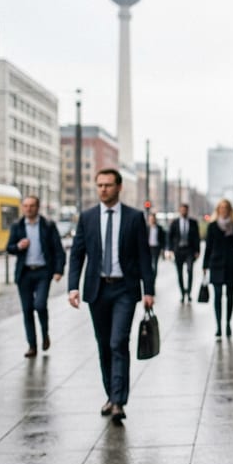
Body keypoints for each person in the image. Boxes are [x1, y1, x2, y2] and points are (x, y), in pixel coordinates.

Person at [67, 168, 155, 425]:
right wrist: (73, 287)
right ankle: (111, 395)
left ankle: (118, 400)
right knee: (104, 344)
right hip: (97, 289)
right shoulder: (87, 218)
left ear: (118, 187)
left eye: (107, 185)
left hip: (125, 289)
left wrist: (148, 290)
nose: (103, 189)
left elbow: (143, 256)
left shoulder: (134, 217)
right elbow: (77, 254)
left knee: (118, 342)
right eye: (99, 185)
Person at [5, 195, 66, 358]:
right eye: (25, 206)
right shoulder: (17, 226)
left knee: (39, 305)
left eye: (32, 206)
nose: (28, 209)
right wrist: (18, 246)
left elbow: (58, 249)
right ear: (22, 208)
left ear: (38, 207)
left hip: (43, 272)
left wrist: (59, 270)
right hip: (24, 273)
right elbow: (9, 248)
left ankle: (45, 334)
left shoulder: (47, 225)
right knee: (27, 310)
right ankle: (32, 345)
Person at [202, 198, 233, 338]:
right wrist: (205, 265)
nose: (223, 210)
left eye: (226, 208)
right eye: (221, 208)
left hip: (231, 265)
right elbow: (208, 246)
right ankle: (218, 326)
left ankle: (227, 323)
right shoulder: (213, 226)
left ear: (229, 210)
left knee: (230, 296)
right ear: (218, 210)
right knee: (217, 295)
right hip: (216, 264)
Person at [167, 203, 200, 302]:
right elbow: (169, 236)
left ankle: (189, 293)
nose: (183, 212)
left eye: (185, 210)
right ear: (179, 211)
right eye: (182, 210)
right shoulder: (175, 222)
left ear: (187, 211)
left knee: (190, 271)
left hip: (189, 250)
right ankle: (182, 293)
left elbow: (197, 237)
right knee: (179, 273)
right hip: (178, 251)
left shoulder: (193, 222)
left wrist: (197, 251)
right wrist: (169, 250)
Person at [147, 212, 166, 279]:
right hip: (148, 249)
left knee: (155, 264)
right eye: (150, 219)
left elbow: (163, 240)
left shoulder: (159, 228)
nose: (152, 220)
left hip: (156, 248)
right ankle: (149, 278)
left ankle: (153, 278)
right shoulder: (146, 228)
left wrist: (163, 250)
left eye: (153, 219)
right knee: (148, 264)